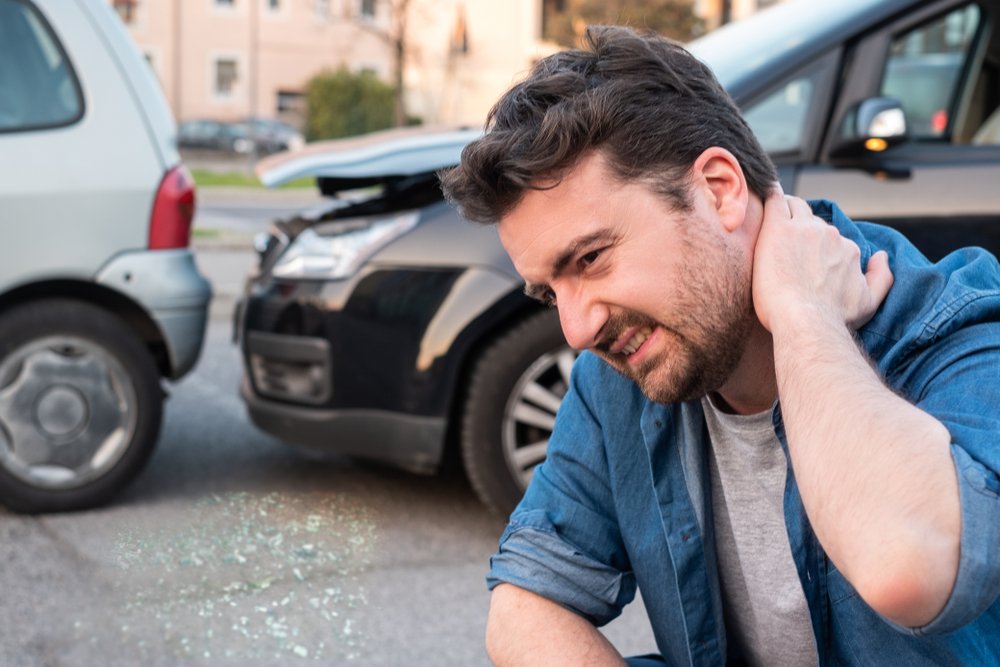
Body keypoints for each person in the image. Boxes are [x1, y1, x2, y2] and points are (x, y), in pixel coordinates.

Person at [440, 25, 1000, 666]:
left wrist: (804, 315)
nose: (575, 330)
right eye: (549, 293)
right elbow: (524, 606)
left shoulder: (954, 324)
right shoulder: (625, 377)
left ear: (719, 189)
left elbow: (908, 568)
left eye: (591, 258)